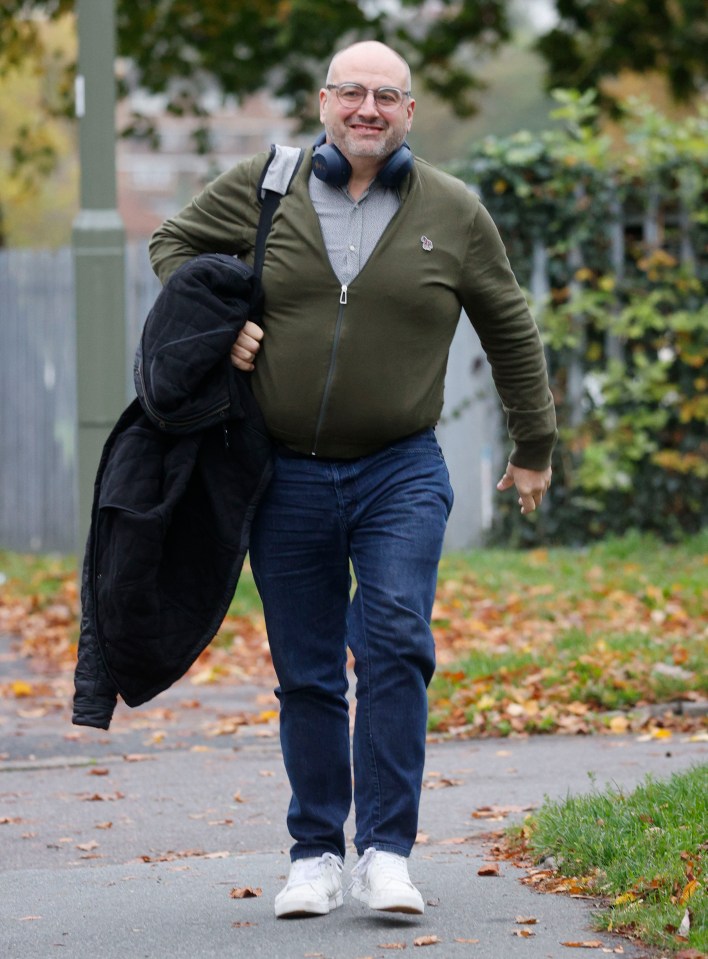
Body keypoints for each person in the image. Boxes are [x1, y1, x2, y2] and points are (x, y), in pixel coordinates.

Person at [149, 40, 556, 919]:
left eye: (387, 96)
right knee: (306, 671)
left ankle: (386, 851)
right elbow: (173, 244)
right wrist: (218, 327)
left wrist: (535, 443)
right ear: (324, 101)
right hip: (283, 475)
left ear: (408, 113)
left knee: (397, 641)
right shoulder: (268, 184)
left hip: (401, 467)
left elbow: (510, 326)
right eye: (352, 93)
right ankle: (313, 853)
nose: (368, 108)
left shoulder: (454, 210)